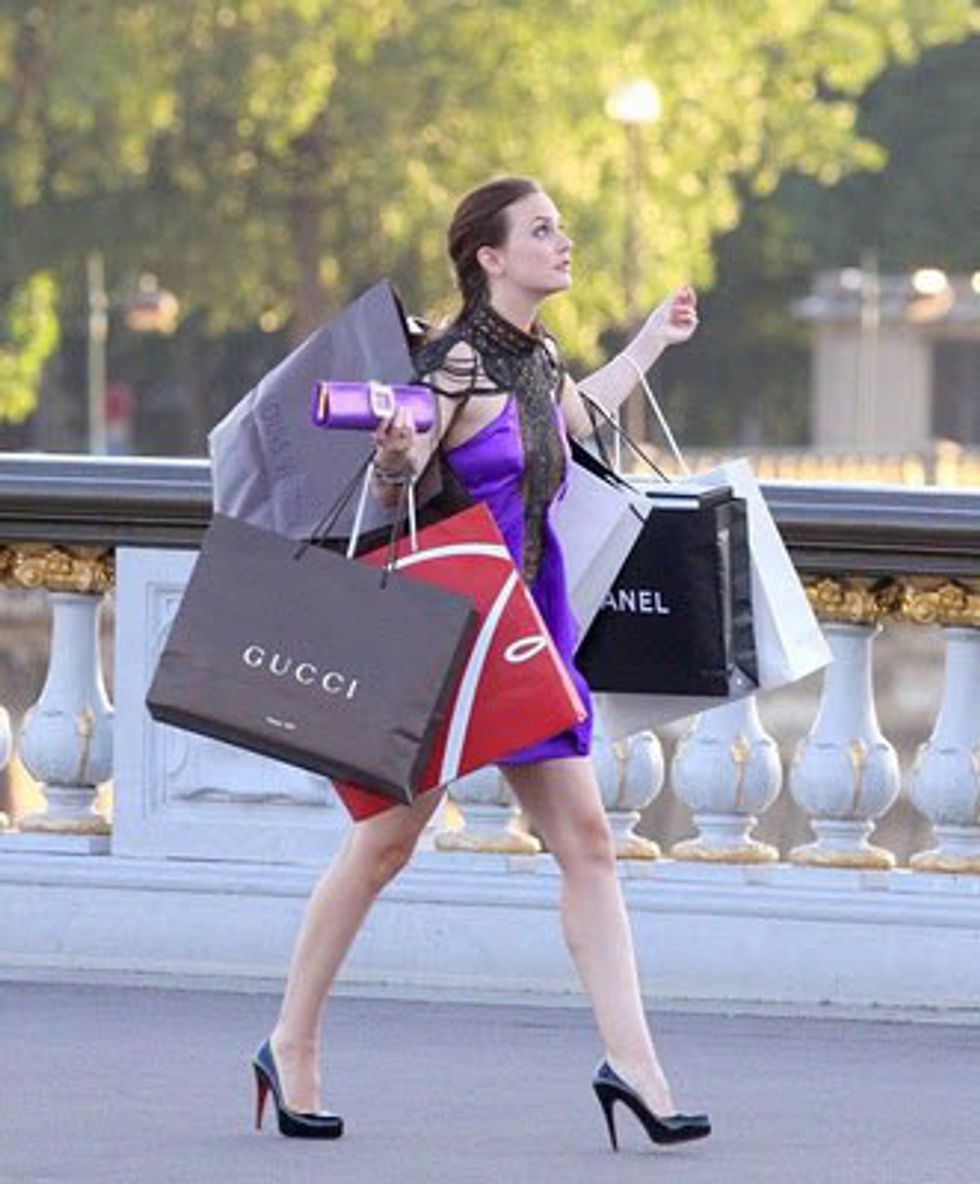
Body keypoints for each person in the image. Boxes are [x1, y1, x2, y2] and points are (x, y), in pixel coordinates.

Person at [252, 176, 709, 1151]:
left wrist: (651, 343)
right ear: (490, 257)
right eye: (541, 229)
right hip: (447, 635)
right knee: (384, 845)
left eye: (561, 225)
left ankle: (636, 1067)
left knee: (587, 841)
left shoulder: (538, 359)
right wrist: (392, 453)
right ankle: (290, 1042)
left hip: (526, 633)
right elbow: (396, 487)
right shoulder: (450, 364)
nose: (563, 239)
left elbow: (576, 421)